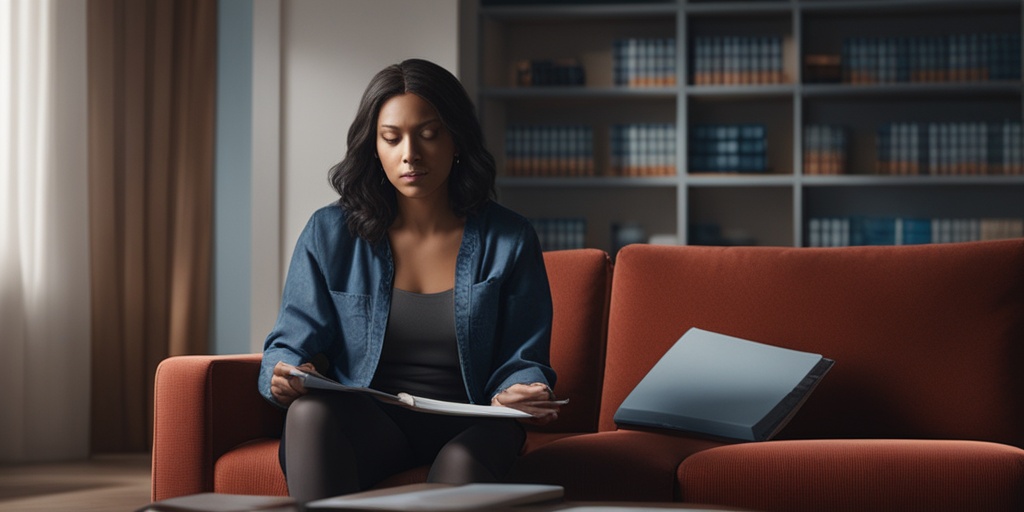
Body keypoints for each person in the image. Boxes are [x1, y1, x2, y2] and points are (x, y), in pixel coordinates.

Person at [258, 58, 562, 504]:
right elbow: (290, 342)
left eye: (429, 133)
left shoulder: (509, 237)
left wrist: (523, 389)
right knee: (309, 416)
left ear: (456, 139)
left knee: (462, 463)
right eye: (392, 138)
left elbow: (523, 356)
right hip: (374, 423)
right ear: (374, 147)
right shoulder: (329, 233)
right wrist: (283, 374)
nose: (410, 154)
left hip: (474, 421)